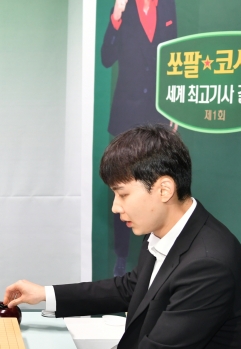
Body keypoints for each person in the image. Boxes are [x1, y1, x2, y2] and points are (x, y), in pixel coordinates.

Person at [3, 125, 241, 349]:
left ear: (164, 188)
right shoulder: (168, 231)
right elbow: (131, 287)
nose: (115, 207)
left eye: (122, 194)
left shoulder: (209, 265)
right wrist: (46, 294)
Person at [101, 0, 178, 276]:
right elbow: (107, 57)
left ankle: (155, 256)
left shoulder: (167, 5)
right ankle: (121, 257)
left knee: (157, 186)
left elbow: (174, 59)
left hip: (157, 113)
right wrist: (117, 14)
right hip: (126, 115)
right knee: (124, 186)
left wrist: (173, 107)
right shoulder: (122, 9)